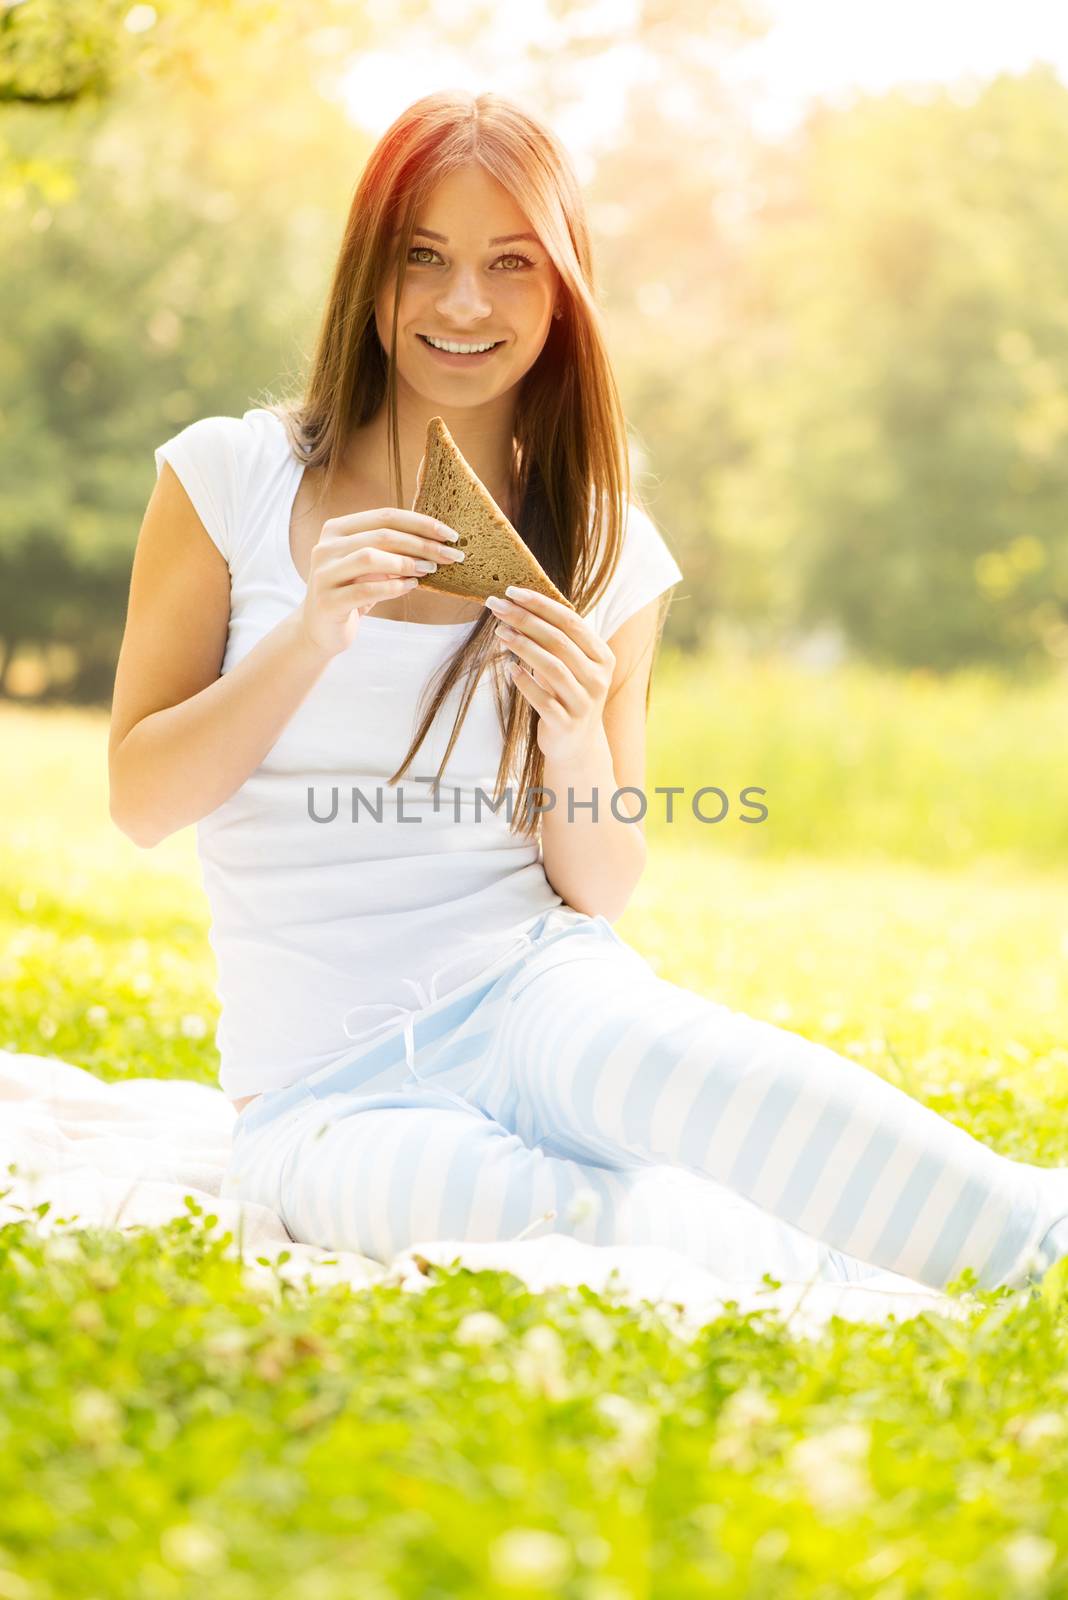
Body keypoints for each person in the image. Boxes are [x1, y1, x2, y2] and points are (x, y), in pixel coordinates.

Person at [108, 90, 1068, 1292]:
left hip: (538, 994)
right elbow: (142, 801)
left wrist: (572, 732)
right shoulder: (228, 479)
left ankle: (1037, 1244)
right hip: (319, 1089)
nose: (465, 304)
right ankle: (818, 1255)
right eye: (425, 259)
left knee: (709, 1077)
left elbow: (602, 884)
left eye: (511, 264)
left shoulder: (611, 547)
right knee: (532, 1214)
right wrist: (308, 636)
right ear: (369, 277)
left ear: (564, 291)